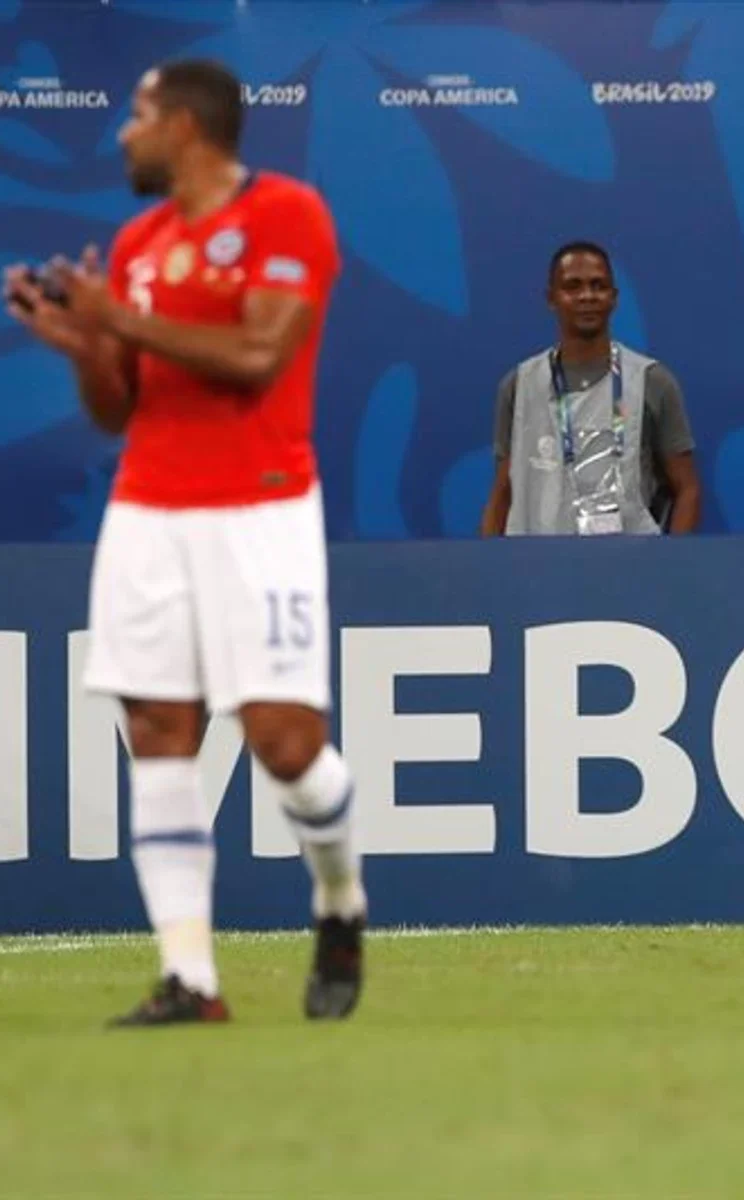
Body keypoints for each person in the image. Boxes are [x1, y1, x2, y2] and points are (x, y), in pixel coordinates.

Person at [3, 60, 365, 1023]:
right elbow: (120, 408)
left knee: (285, 745)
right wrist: (87, 350)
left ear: (188, 129)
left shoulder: (288, 215)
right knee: (157, 732)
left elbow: (257, 356)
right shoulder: (139, 242)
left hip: (261, 505)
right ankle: (190, 979)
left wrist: (117, 319)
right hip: (149, 509)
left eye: (138, 114)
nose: (124, 132)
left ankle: (339, 898)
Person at [481, 242, 700, 536]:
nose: (587, 296)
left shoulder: (653, 381)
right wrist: (492, 566)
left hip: (631, 570)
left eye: (598, 285)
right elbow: (504, 490)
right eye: (573, 286)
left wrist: (667, 566)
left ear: (614, 297)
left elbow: (687, 489)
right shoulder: (519, 385)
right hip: (536, 570)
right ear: (551, 298)